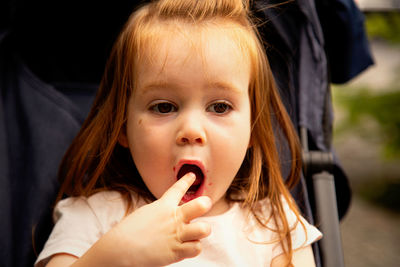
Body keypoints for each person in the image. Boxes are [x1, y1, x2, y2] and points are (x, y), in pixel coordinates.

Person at [35, 0, 322, 266]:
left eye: (220, 107)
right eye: (163, 107)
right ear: (121, 125)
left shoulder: (274, 225)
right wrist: (113, 256)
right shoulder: (94, 217)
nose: (192, 131)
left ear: (254, 129)